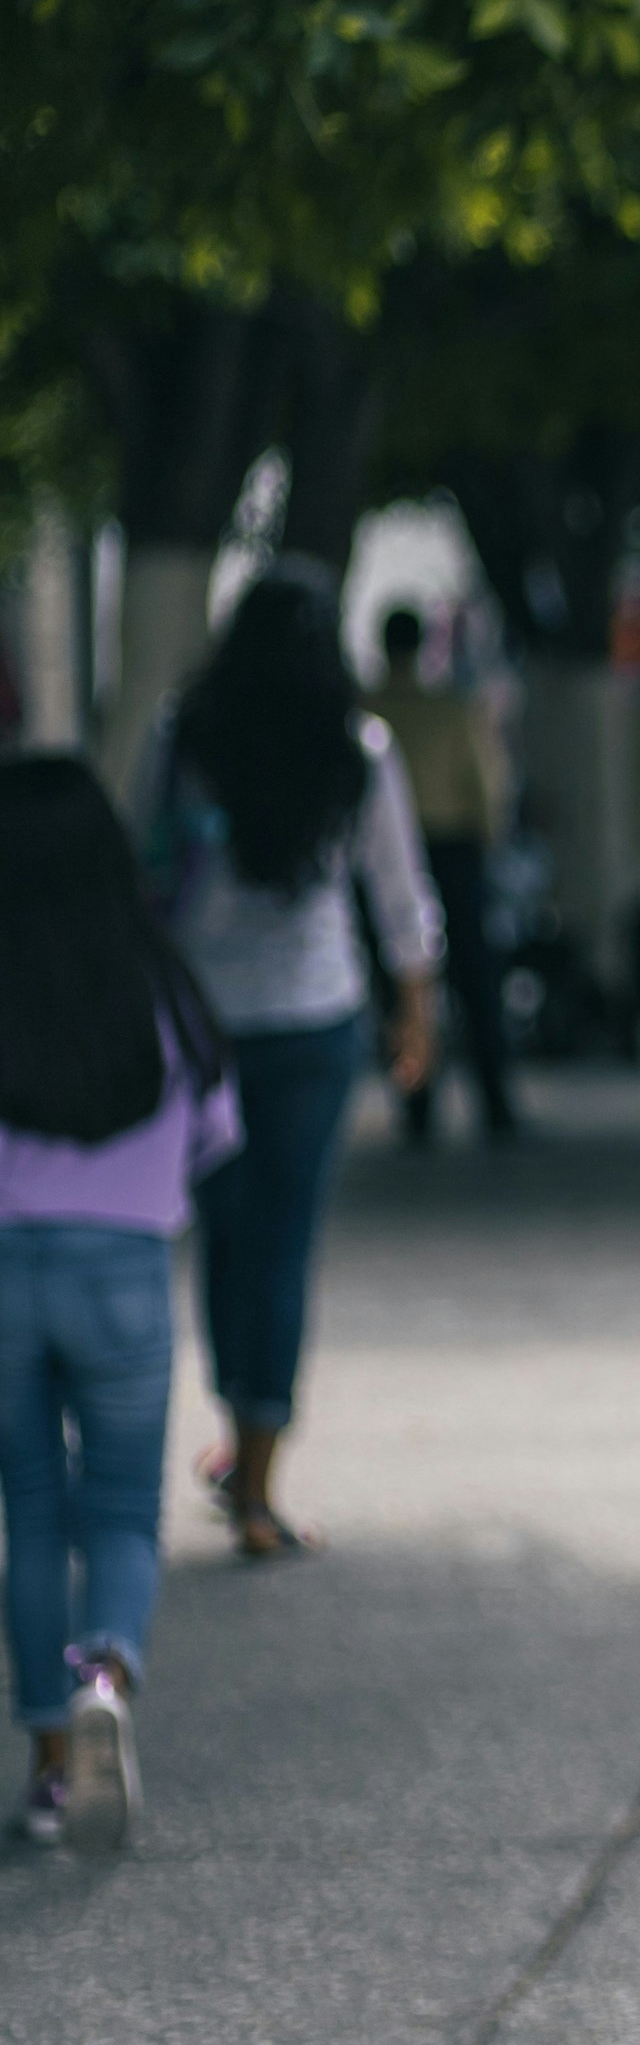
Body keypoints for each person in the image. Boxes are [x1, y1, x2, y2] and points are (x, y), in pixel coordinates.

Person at [145, 563, 443, 1554]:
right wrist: (417, 1011)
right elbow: (401, 895)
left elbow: (149, 878)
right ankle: (259, 1480)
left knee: (225, 1238)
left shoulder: (186, 739)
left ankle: (239, 1437)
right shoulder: (356, 749)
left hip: (204, 1023)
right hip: (316, 1020)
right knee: (284, 1243)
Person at [1, 755, 241, 1847]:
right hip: (128, 1273)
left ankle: (52, 1764)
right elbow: (216, 1129)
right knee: (121, 1511)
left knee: (35, 1513)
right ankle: (106, 1674)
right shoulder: (158, 981)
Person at [371, 605, 520, 1146]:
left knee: (399, 986)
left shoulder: (368, 710)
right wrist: (490, 841)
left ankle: (416, 1105)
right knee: (476, 981)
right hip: (451, 849)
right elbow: (486, 789)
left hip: (379, 860)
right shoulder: (452, 709)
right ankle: (496, 1103)